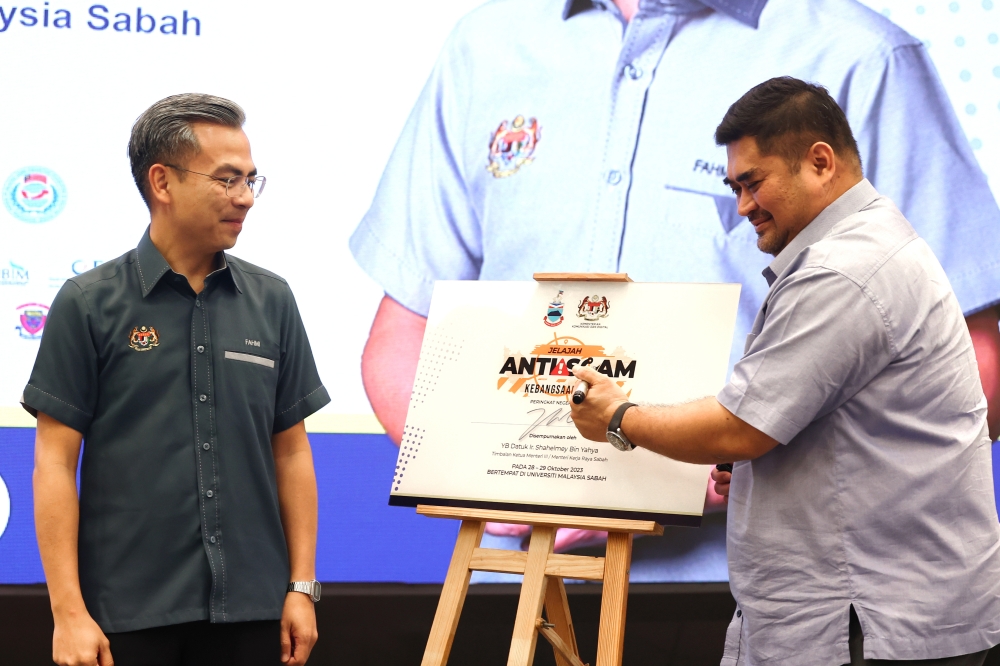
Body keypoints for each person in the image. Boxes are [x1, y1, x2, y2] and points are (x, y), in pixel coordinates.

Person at [350, 0, 1000, 558]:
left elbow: (971, 371)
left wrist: (738, 466)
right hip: (517, 597)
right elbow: (400, 339)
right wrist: (496, 484)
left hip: (769, 601)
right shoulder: (485, 45)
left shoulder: (860, 56)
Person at [570, 76, 1000, 665]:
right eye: (735, 186)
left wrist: (618, 416)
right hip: (876, 612)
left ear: (820, 163)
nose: (742, 206)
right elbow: (830, 429)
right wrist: (755, 471)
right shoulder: (868, 244)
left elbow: (738, 428)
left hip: (867, 622)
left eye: (753, 183)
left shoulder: (844, 271)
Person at [24, 94, 329, 666]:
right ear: (161, 182)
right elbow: (54, 464)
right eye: (227, 179)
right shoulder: (89, 304)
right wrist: (68, 612)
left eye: (252, 180)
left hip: (252, 609)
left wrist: (301, 586)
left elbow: (291, 453)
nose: (245, 197)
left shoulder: (273, 299)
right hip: (126, 615)